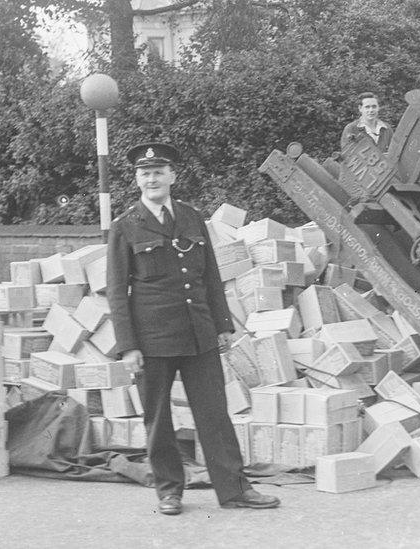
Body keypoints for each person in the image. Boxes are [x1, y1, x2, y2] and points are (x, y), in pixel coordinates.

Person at [106, 142, 280, 516]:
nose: (151, 178)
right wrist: (128, 346)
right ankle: (170, 491)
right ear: (137, 179)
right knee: (158, 419)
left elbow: (210, 277)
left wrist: (222, 326)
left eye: (158, 172)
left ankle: (234, 490)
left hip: (199, 334)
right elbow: (118, 291)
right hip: (152, 340)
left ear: (172, 176)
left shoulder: (191, 217)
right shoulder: (125, 226)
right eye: (144, 173)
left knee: (215, 414)